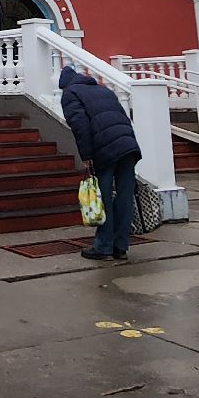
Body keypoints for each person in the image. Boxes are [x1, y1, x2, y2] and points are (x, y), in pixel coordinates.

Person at [58, 64, 141, 261]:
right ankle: (120, 247)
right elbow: (123, 118)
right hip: (128, 146)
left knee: (102, 197)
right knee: (125, 196)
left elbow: (80, 125)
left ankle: (103, 247)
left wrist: (86, 156)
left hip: (106, 149)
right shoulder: (103, 90)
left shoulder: (70, 93)